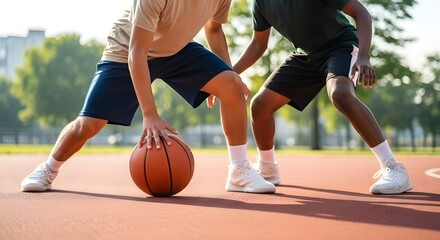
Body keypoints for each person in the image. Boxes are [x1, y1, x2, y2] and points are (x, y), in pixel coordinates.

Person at [21, 0, 275, 194]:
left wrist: (225, 73)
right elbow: (137, 53)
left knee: (232, 84)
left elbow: (214, 29)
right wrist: (150, 114)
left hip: (176, 49)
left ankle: (238, 170)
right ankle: (48, 168)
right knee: (88, 125)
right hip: (126, 50)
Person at [233, 0, 412, 194]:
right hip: (307, 56)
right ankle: (268, 169)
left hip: (340, 46)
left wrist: (364, 56)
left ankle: (393, 168)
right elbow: (258, 44)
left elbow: (360, 12)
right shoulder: (261, 3)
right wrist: (230, 75)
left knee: (340, 94)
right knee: (260, 105)